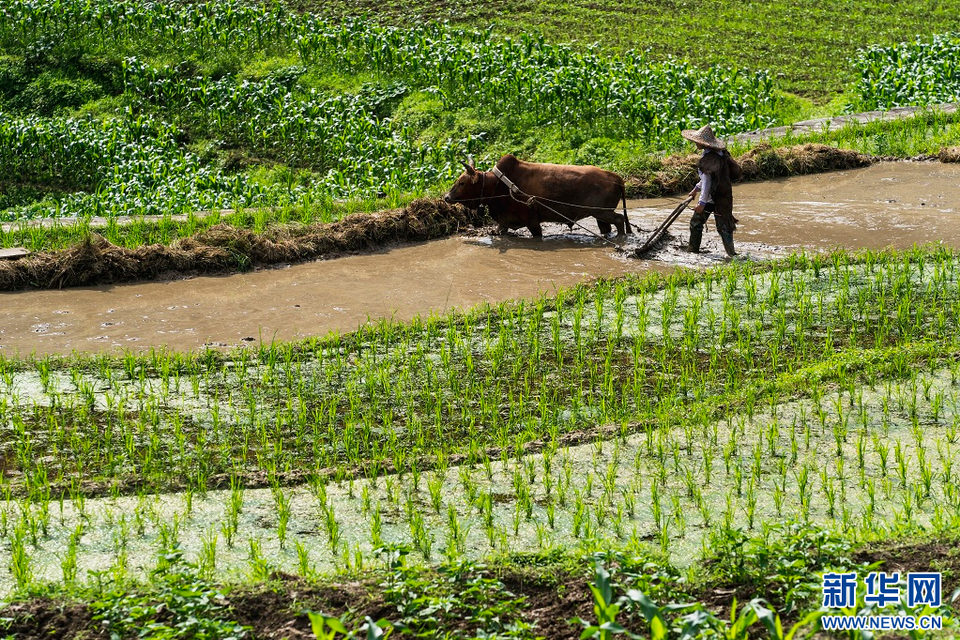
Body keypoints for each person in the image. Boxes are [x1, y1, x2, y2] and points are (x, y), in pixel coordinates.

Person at [681, 125, 742, 257]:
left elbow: (707, 182)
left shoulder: (708, 160)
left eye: (697, 141)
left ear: (704, 143)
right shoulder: (722, 155)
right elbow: (708, 179)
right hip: (724, 196)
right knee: (725, 226)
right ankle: (732, 254)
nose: (695, 143)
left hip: (710, 198)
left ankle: (693, 251)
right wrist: (695, 189)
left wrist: (701, 203)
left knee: (696, 223)